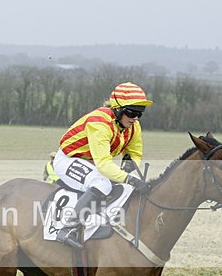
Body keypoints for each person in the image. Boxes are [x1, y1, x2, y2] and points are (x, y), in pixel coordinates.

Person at [53, 82, 153, 249]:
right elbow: (104, 164)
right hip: (68, 159)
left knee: (126, 184)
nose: (135, 118)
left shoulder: (132, 126)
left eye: (140, 114)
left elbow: (135, 152)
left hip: (93, 162)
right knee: (102, 183)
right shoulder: (99, 123)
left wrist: (129, 167)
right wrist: (130, 179)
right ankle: (68, 229)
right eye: (132, 113)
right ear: (118, 109)